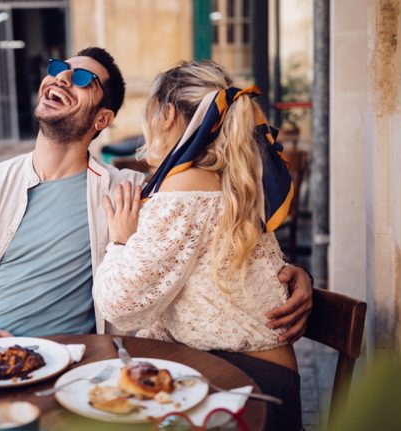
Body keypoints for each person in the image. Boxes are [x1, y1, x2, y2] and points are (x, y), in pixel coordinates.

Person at [0, 48, 313, 431]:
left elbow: (215, 237)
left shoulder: (130, 190)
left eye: (83, 79)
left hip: (70, 366)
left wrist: (291, 274)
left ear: (102, 120)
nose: (61, 78)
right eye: (59, 69)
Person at [93, 60, 304, 430]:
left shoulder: (184, 187)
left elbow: (120, 307)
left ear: (168, 114)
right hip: (269, 378)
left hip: (242, 384)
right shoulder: (234, 179)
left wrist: (121, 241)